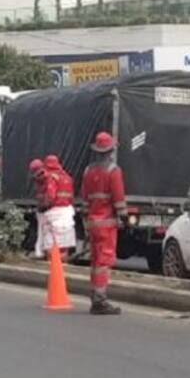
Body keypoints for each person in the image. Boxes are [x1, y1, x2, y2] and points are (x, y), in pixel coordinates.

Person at [79, 132, 127, 315]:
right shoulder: (113, 171)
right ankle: (100, 300)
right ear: (110, 151)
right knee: (103, 261)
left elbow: (84, 199)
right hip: (106, 224)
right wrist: (123, 218)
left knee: (95, 262)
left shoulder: (88, 171)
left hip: (92, 222)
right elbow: (119, 199)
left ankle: (94, 295)